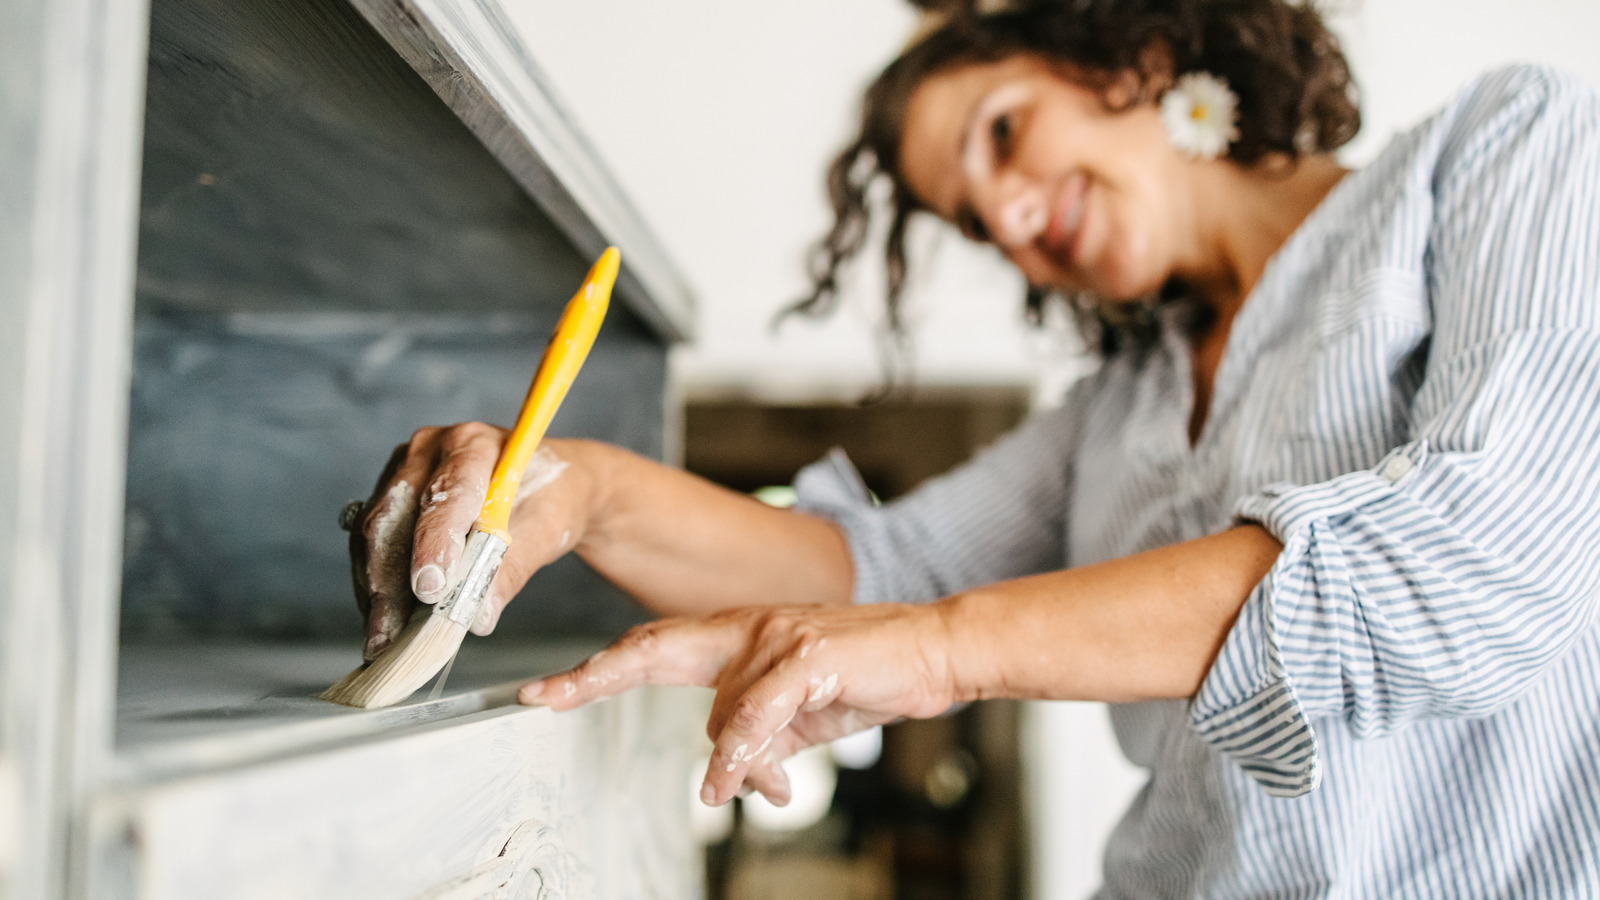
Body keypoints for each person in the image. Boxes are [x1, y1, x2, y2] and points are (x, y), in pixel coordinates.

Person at [346, 0, 1600, 893]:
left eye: (1002, 133)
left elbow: (1474, 569)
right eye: (968, 218)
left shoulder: (1506, 149)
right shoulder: (1119, 408)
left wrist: (949, 650)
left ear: (1129, 46)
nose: (1004, 217)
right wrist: (588, 496)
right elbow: (873, 575)